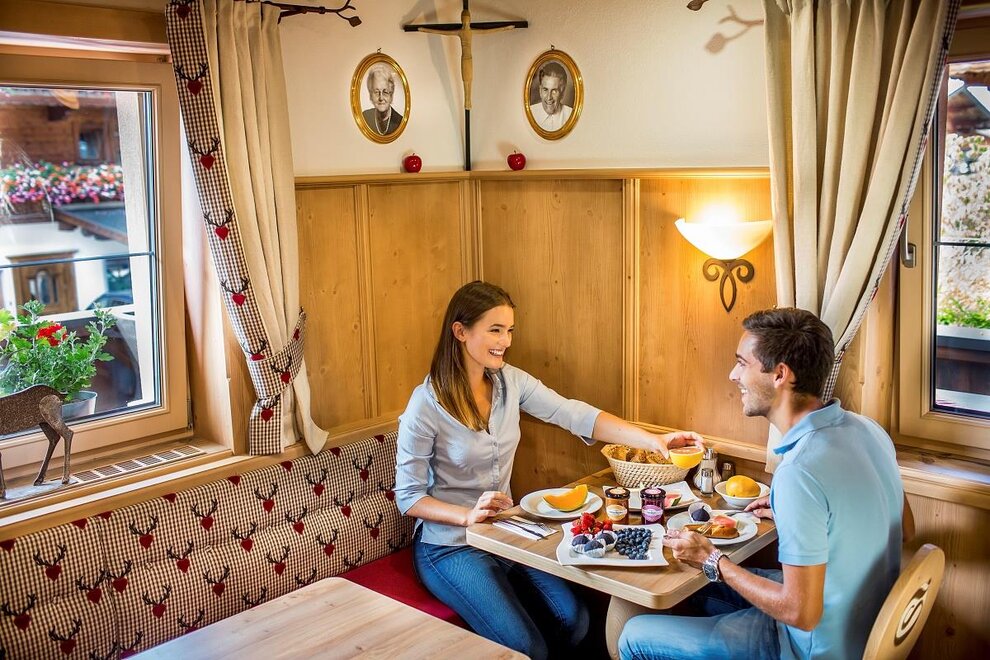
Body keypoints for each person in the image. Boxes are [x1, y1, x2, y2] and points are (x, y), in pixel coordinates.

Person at [395, 281, 703, 660]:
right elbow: (408, 497)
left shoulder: (510, 381)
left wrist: (654, 441)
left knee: (574, 620)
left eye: (509, 330)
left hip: (504, 531)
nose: (505, 341)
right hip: (448, 546)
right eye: (495, 330)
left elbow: (572, 413)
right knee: (527, 648)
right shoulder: (425, 405)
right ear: (460, 331)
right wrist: (467, 515)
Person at [619, 308, 908, 660]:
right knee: (688, 587)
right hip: (862, 626)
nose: (733, 374)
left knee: (632, 635)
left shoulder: (799, 471)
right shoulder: (868, 430)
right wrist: (811, 519)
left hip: (809, 646)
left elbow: (801, 613)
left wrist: (713, 560)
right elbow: (904, 526)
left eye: (742, 363)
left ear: (780, 375)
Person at [528, 61, 573, 132]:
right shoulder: (530, 113)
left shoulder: (571, 116)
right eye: (545, 90)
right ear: (540, 91)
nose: (549, 97)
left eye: (554, 91)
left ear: (562, 92)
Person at [362, 63, 403, 136]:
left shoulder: (400, 121)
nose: (381, 98)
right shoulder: (364, 117)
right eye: (376, 92)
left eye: (385, 92)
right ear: (371, 95)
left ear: (391, 95)